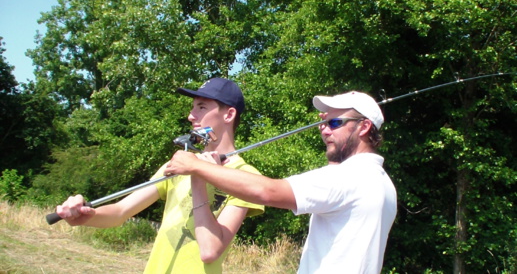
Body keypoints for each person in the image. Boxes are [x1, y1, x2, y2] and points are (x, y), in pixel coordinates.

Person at [165, 91, 398, 274]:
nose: (324, 130)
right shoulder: (379, 180)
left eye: (335, 123)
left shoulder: (350, 176)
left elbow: (268, 191)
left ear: (364, 126)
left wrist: (196, 166)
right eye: (323, 122)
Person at [55, 78, 264, 274]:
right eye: (192, 108)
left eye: (201, 107)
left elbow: (210, 251)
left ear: (228, 115)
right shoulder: (178, 165)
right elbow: (120, 212)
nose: (191, 116)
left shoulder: (245, 176)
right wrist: (84, 216)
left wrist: (198, 175)